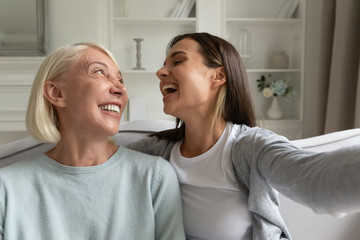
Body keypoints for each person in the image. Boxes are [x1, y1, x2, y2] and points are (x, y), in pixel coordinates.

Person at [127, 32, 360, 240]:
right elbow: (102, 162)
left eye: (178, 61)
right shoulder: (157, 150)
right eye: (164, 64)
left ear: (217, 76)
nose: (160, 72)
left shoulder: (253, 148)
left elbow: (315, 180)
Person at [0, 42, 185, 240]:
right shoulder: (6, 187)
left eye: (120, 79)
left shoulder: (154, 177)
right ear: (56, 93)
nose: (121, 89)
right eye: (99, 72)